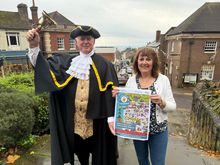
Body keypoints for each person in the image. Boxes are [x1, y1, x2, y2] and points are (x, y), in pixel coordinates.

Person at [26, 25, 118, 165]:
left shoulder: (106, 65)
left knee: (100, 156)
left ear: (94, 41)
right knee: (81, 155)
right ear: (76, 42)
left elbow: (112, 95)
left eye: (89, 39)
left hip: (98, 124)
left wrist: (111, 118)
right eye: (82, 39)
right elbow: (42, 67)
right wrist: (34, 45)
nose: (86, 42)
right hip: (74, 123)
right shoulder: (65, 62)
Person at [112, 47, 176, 165]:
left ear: (154, 62)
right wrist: (119, 97)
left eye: (148, 59)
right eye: (141, 59)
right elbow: (126, 106)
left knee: (158, 163)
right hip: (138, 131)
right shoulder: (131, 81)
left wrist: (162, 102)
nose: (144, 62)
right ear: (137, 62)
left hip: (159, 130)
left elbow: (173, 106)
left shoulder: (163, 80)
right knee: (142, 161)